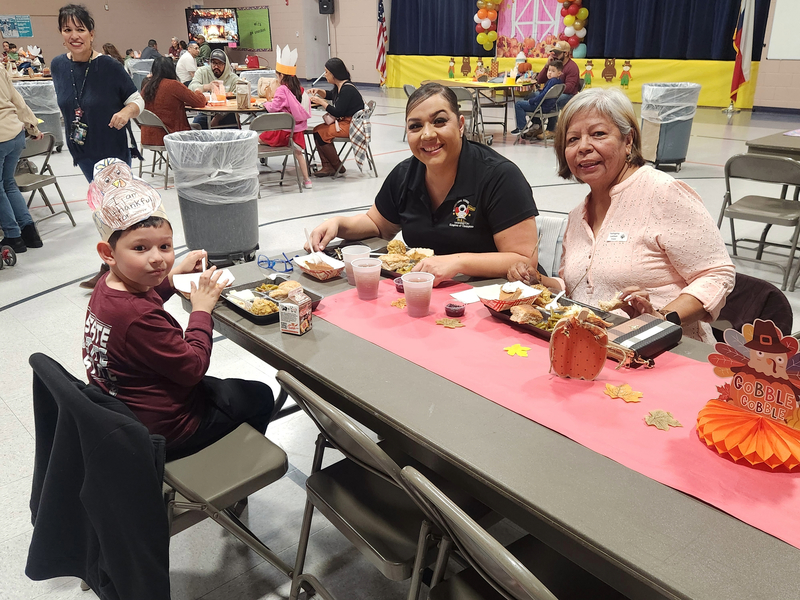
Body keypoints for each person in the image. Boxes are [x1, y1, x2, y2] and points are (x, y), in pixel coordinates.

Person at [507, 88, 734, 344]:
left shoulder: (663, 193)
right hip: (596, 349)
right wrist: (539, 281)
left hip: (664, 348)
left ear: (628, 141)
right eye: (572, 140)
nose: (583, 147)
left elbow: (716, 274)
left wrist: (662, 318)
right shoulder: (576, 216)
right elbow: (581, 287)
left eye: (598, 134)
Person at [83, 158, 274, 458]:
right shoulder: (137, 317)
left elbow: (143, 300)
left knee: (234, 390)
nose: (157, 259)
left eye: (165, 246)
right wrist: (201, 310)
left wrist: (172, 280)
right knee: (260, 396)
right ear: (108, 252)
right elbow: (193, 369)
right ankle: (230, 475)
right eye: (140, 248)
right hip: (168, 429)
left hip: (127, 410)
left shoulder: (107, 288)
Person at [307, 83, 540, 286]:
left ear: (460, 125)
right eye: (415, 126)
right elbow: (377, 224)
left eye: (439, 121)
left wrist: (456, 262)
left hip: (489, 301)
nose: (427, 135)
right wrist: (337, 224)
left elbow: (523, 259)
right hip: (426, 296)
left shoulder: (499, 176)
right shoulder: (405, 174)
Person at [51, 3, 144, 288]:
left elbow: (138, 99)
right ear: (61, 33)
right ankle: (118, 267)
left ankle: (121, 269)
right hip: (84, 152)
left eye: (80, 29)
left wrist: (126, 112)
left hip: (112, 152)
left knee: (117, 212)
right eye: (68, 30)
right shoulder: (58, 65)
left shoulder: (108, 66)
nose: (74, 35)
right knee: (105, 212)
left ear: (91, 33)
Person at [0, 66, 44, 253]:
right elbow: (17, 100)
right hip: (15, 132)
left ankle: (12, 236)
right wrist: (32, 127)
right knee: (9, 183)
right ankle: (30, 233)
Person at [258, 45, 312, 189]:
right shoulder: (300, 89)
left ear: (281, 75)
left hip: (283, 134)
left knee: (257, 138)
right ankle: (307, 180)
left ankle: (259, 165)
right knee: (298, 154)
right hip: (297, 134)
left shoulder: (282, 89)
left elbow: (275, 107)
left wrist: (266, 104)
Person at [308, 57, 364, 177]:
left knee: (320, 132)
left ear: (334, 74)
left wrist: (322, 102)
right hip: (347, 122)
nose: (325, 75)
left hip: (352, 126)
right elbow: (331, 95)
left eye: (326, 72)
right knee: (317, 130)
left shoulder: (347, 89)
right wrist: (319, 91)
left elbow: (338, 112)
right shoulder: (342, 86)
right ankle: (327, 165)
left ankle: (336, 166)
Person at [141, 56, 206, 146]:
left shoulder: (146, 87)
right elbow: (199, 102)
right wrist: (199, 91)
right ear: (171, 69)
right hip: (171, 136)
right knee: (199, 127)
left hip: (147, 136)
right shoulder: (174, 85)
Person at [532, 40, 579, 141]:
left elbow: (569, 87)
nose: (555, 55)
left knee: (554, 99)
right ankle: (537, 125)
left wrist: (552, 90)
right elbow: (540, 80)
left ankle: (551, 129)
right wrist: (547, 65)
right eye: (554, 53)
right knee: (532, 96)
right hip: (551, 92)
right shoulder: (554, 65)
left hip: (568, 95)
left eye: (557, 53)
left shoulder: (572, 67)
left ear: (566, 53)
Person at [189, 49, 239, 128]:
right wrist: (206, 87)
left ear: (226, 65)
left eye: (220, 63)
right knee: (194, 129)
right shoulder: (202, 72)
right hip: (205, 112)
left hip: (226, 113)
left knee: (234, 131)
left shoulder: (233, 78)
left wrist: (217, 118)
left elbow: (238, 98)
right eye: (214, 63)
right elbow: (191, 88)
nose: (216, 66)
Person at [512, 59, 563, 134]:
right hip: (550, 107)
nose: (549, 73)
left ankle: (522, 127)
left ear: (559, 73)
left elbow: (543, 95)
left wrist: (532, 101)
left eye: (553, 71)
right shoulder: (558, 82)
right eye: (549, 70)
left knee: (519, 104)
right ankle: (536, 124)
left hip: (541, 107)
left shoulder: (552, 81)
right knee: (529, 98)